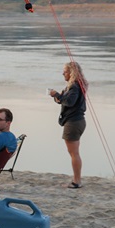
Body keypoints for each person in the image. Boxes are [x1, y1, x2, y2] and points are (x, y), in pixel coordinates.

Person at [49, 61, 88, 189]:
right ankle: (77, 179)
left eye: (65, 71)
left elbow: (69, 102)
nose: (62, 74)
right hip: (77, 121)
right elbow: (64, 101)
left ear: (71, 73)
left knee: (74, 153)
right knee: (74, 152)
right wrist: (56, 97)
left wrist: (57, 95)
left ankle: (77, 181)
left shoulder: (74, 86)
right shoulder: (74, 86)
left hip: (73, 122)